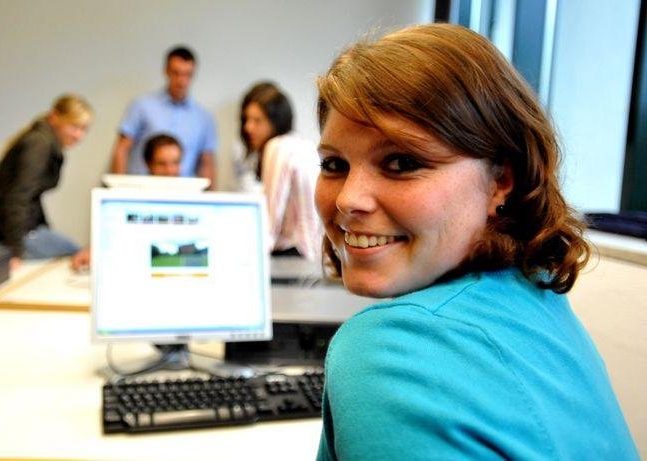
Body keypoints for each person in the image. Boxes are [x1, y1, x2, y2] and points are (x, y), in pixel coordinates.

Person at [314, 24, 638, 460]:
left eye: (401, 162)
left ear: (501, 181)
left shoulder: (394, 349)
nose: (349, 199)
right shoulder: (534, 297)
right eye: (334, 163)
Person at [0, 94, 92, 269]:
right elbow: (18, 197)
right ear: (55, 118)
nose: (79, 135)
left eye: (84, 129)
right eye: (74, 126)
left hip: (15, 229)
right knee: (81, 256)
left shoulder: (41, 140)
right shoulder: (39, 144)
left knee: (80, 254)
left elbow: (31, 196)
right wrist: (15, 251)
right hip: (9, 233)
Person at [70, 134, 183, 271]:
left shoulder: (195, 200)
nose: (170, 171)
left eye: (175, 163)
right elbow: (113, 232)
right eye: (162, 164)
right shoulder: (133, 199)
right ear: (148, 164)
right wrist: (93, 249)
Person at [110, 46, 217, 186]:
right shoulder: (142, 106)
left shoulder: (204, 118)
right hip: (141, 191)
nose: (181, 81)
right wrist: (120, 190)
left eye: (187, 74)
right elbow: (121, 149)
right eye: (176, 73)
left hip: (183, 195)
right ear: (166, 71)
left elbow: (207, 163)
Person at [239, 81, 321, 260]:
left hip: (291, 253)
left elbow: (271, 217)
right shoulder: (302, 144)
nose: (248, 127)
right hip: (310, 251)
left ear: (275, 121)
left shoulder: (277, 147)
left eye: (257, 120)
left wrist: (248, 258)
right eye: (247, 119)